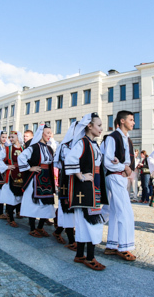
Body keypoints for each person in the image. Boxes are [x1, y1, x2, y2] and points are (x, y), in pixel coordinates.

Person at [65, 113, 107, 270]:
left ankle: (79, 254)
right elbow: (70, 159)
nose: (101, 128)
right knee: (91, 222)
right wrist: (80, 175)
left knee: (84, 222)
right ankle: (90, 257)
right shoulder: (82, 143)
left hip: (93, 186)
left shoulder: (93, 144)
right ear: (89, 126)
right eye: (99, 125)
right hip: (85, 188)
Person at [102, 110, 137, 260]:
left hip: (122, 177)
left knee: (116, 211)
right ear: (122, 121)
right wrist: (123, 167)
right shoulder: (112, 137)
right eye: (131, 119)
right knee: (125, 211)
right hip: (114, 177)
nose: (133, 122)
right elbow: (108, 161)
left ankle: (112, 245)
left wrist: (128, 170)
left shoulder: (127, 138)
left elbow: (128, 162)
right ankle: (124, 246)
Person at [18, 124, 56, 237]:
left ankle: (40, 227)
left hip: (46, 179)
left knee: (47, 204)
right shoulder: (33, 147)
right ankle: (32, 228)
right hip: (35, 178)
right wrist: (30, 168)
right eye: (47, 132)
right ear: (41, 133)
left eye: (50, 133)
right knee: (33, 204)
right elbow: (21, 157)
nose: (49, 135)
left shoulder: (49, 148)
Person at [52, 122, 78, 249]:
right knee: (67, 209)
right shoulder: (65, 146)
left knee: (76, 209)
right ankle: (71, 240)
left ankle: (58, 231)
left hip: (79, 180)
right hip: (67, 180)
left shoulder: (82, 143)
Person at [0, 131, 24, 228]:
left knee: (19, 197)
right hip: (11, 176)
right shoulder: (7, 149)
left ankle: (15, 213)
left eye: (12, 137)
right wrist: (6, 167)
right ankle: (10, 218)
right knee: (10, 197)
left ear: (18, 137)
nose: (10, 139)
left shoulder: (24, 148)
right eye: (9, 137)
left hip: (22, 176)